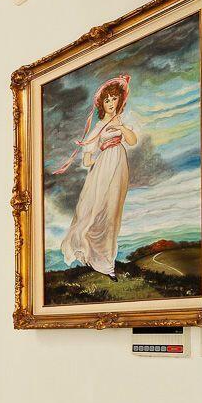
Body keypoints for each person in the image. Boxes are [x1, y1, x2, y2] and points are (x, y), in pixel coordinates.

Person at [56, 74, 139, 278]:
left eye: (114, 99)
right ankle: (92, 253)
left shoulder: (122, 120)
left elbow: (132, 140)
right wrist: (95, 163)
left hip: (120, 165)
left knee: (113, 211)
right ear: (102, 103)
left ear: (120, 99)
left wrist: (121, 127)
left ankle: (108, 261)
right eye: (107, 100)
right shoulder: (99, 125)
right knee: (97, 210)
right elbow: (87, 157)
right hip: (105, 166)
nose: (111, 103)